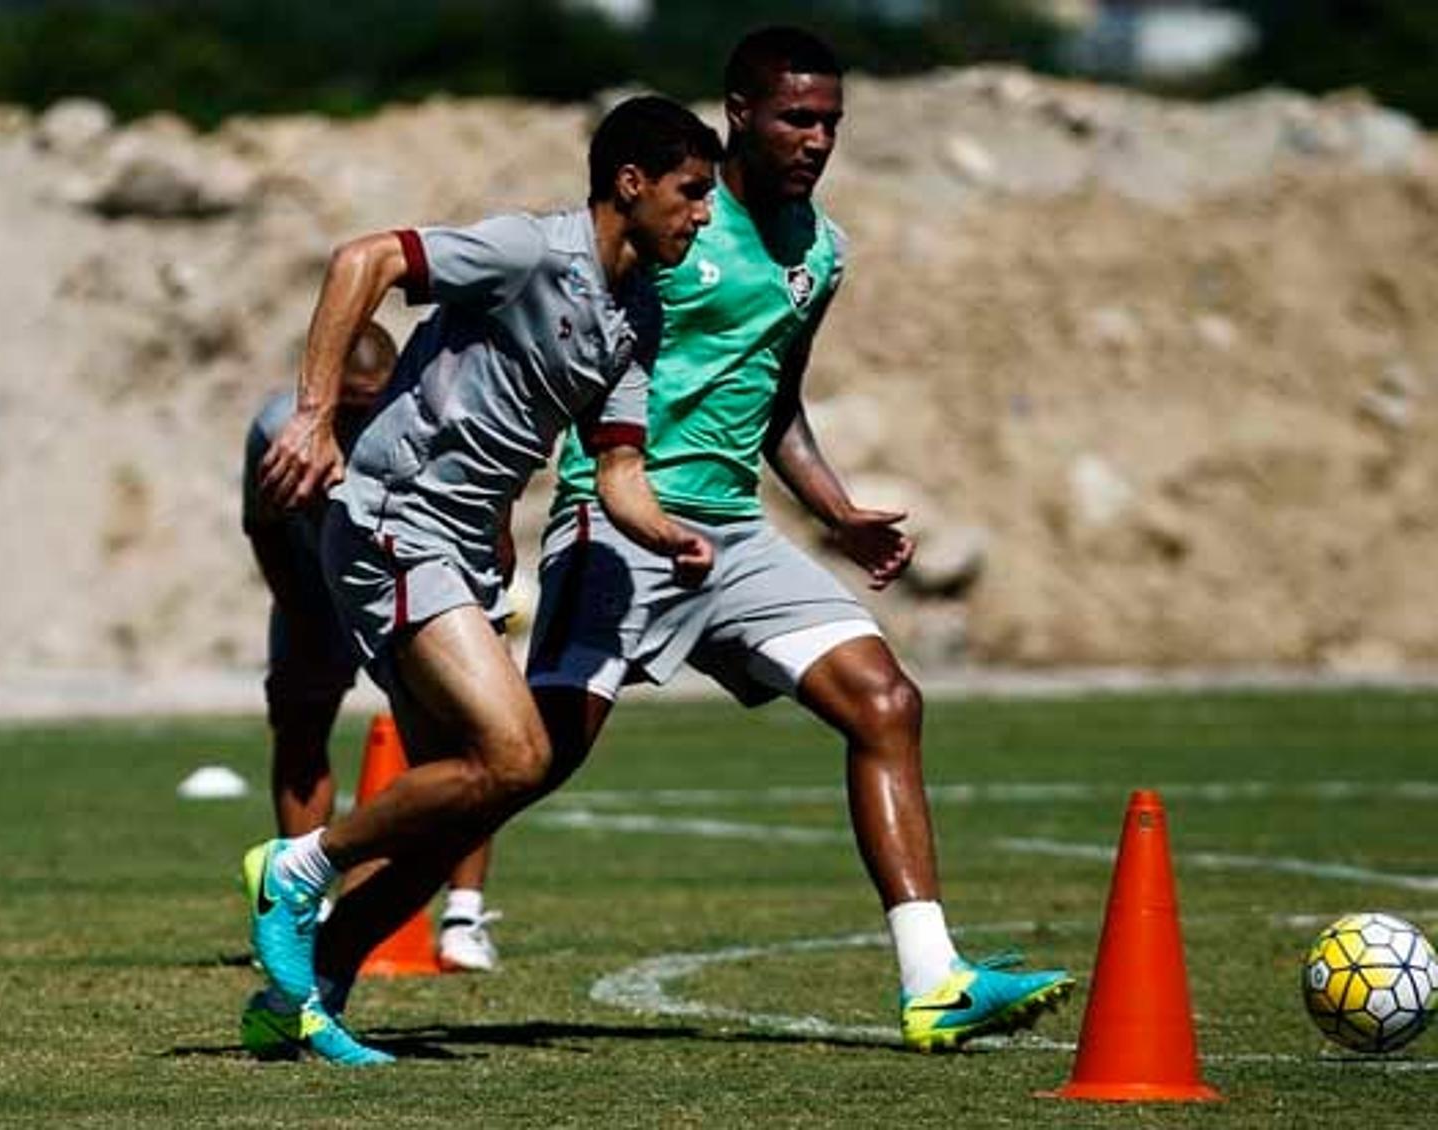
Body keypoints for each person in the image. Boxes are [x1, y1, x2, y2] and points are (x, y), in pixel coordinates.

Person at [526, 27, 1071, 1052]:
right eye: (797, 118)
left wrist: (838, 512)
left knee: (887, 701)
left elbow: (778, 404)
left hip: (737, 536)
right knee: (525, 761)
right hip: (624, 523)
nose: (817, 139)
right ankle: (321, 895)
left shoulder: (821, 249)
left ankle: (933, 978)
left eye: (831, 122)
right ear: (740, 112)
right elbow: (575, 351)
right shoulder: (672, 219)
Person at [241, 95, 723, 1065]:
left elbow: (618, 469)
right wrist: (314, 416)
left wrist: (672, 536)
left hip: (459, 549)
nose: (705, 215)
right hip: (394, 519)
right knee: (517, 752)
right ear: (630, 185)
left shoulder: (637, 316)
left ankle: (300, 1000)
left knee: (459, 804)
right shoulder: (531, 250)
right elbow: (361, 261)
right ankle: (299, 863)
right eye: (692, 192)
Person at [240, 322, 504, 975]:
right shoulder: (280, 431)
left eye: (371, 402)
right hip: (317, 594)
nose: (360, 417)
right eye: (348, 404)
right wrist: (298, 609)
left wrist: (487, 580)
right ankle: (304, 908)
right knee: (299, 731)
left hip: (411, 594)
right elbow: (264, 527)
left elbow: (487, 495)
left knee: (479, 742)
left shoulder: (434, 416)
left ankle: (463, 916)